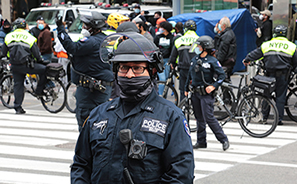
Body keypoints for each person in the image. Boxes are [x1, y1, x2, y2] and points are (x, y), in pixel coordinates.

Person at [71, 33, 195, 183]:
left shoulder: (171, 116)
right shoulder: (99, 114)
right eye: (124, 68)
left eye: (137, 68)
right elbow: (80, 165)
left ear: (152, 71)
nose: (129, 75)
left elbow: (181, 175)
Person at [56, 11, 113, 132]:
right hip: (101, 88)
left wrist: (61, 29)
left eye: (85, 25)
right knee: (100, 123)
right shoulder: (105, 40)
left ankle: (86, 150)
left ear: (93, 28)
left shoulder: (91, 42)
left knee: (86, 123)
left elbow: (72, 47)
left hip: (90, 92)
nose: (83, 27)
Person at [243, 25, 297, 125]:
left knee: (266, 95)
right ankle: (278, 119)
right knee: (280, 97)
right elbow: (295, 62)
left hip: (269, 75)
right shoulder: (292, 46)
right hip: (283, 75)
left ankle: (264, 117)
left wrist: (247, 59)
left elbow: (255, 54)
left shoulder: (267, 44)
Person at [185, 35, 229, 150]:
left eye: (199, 46)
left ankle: (223, 139)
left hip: (206, 94)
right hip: (195, 93)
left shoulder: (212, 61)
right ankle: (201, 141)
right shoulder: (194, 59)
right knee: (199, 119)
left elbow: (222, 75)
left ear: (204, 48)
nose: (197, 48)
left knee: (209, 117)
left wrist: (213, 86)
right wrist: (186, 89)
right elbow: (189, 75)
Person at [1, 18, 47, 114]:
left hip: (15, 65)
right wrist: (40, 61)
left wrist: (10, 58)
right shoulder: (29, 36)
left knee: (18, 85)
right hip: (27, 65)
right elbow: (36, 53)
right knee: (44, 70)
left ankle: (18, 107)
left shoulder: (9, 36)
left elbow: (4, 52)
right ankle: (38, 91)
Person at [169, 19, 199, 101]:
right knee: (196, 91)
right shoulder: (199, 40)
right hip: (196, 69)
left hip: (183, 68)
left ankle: (183, 108)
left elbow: (173, 56)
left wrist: (173, 64)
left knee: (183, 90)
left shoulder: (179, 40)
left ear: (185, 29)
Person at [154, 21, 174, 95]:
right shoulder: (157, 37)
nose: (160, 29)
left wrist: (171, 61)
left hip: (167, 60)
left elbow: (173, 50)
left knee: (166, 79)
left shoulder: (172, 38)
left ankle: (164, 95)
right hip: (159, 60)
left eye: (161, 27)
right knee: (162, 79)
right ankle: (160, 95)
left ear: (165, 29)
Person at [215, 16, 237, 81]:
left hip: (226, 61)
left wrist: (217, 62)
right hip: (229, 61)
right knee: (225, 79)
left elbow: (223, 50)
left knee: (222, 79)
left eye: (220, 24)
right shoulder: (228, 33)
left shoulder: (226, 35)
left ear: (224, 25)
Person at [54, 21, 69, 86]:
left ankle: (64, 84)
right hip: (63, 56)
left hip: (62, 56)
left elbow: (57, 48)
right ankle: (63, 84)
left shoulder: (61, 37)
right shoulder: (65, 35)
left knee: (63, 71)